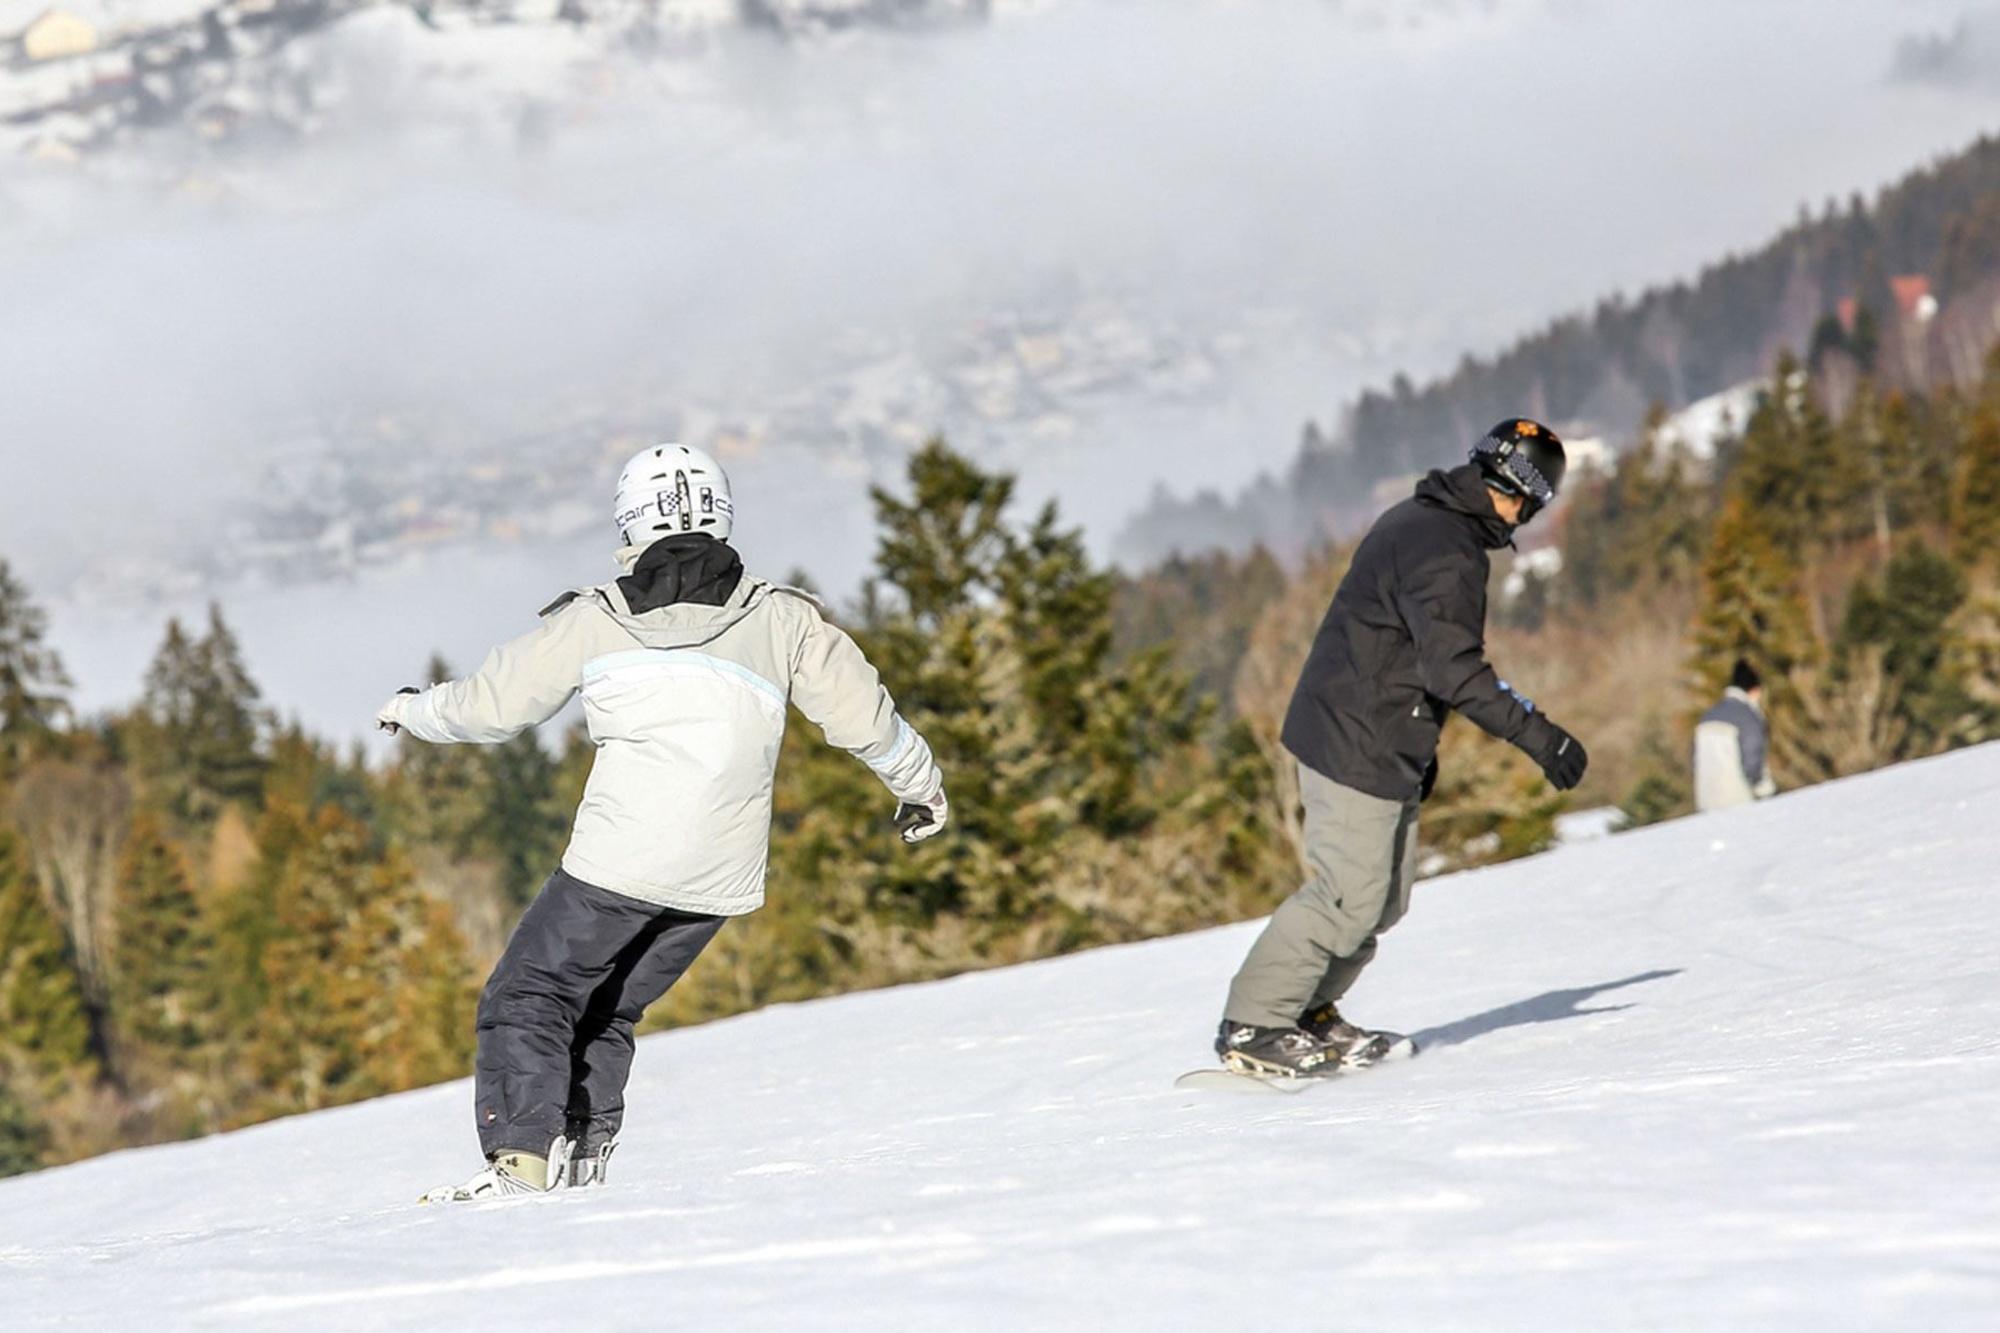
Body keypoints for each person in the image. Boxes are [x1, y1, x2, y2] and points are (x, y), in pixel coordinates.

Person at [378, 444, 950, 1201]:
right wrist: (922, 789)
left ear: (629, 521)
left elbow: (493, 707)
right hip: (718, 880)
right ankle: (579, 1157)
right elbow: (865, 717)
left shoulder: (596, 620)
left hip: (620, 861)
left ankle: (520, 1160)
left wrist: (412, 708)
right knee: (608, 1004)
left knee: (528, 994)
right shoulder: (782, 618)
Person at [1213, 419, 1589, 1079]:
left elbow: (1404, 648)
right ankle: (1256, 1020)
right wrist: (1538, 732)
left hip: (1378, 731)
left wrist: (1423, 735)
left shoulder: (1427, 519)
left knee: (1383, 900)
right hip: (1353, 737)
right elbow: (1453, 668)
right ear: (1520, 496)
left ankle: (1309, 1009)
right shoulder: (1447, 549)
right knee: (1345, 897)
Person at [1693, 659, 1777, 813]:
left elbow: (1694, 759)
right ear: (1753, 689)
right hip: (1738, 801)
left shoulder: (1707, 717)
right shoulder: (1748, 717)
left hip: (1705, 801)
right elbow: (1752, 761)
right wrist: (1766, 792)